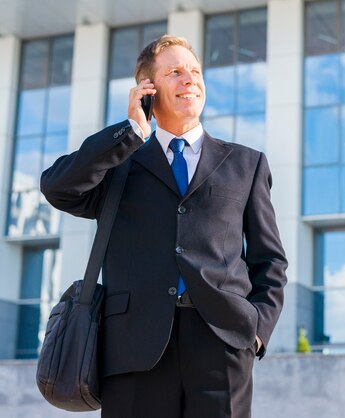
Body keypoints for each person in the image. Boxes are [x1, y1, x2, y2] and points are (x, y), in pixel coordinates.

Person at [40, 35, 288, 418]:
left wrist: (255, 331)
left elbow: (269, 260)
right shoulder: (119, 164)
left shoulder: (246, 164)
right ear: (147, 90)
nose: (190, 79)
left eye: (195, 71)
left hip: (221, 344)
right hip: (133, 348)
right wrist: (129, 132)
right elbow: (58, 187)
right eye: (175, 72)